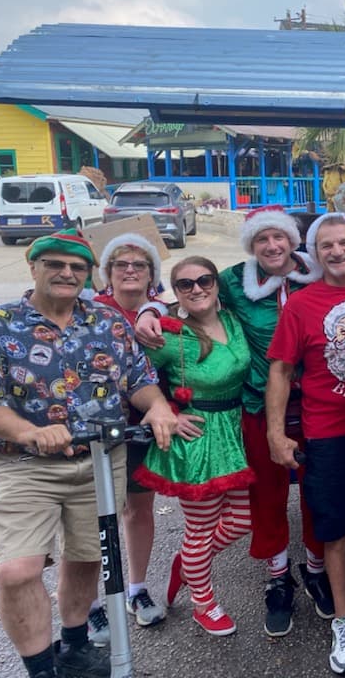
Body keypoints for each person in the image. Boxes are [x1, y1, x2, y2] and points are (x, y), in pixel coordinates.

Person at [0, 228, 176, 678]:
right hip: (23, 463)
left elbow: (139, 379)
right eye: (55, 264)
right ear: (33, 267)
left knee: (87, 556)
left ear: (89, 274)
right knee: (18, 570)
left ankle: (74, 645)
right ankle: (40, 668)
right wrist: (32, 432)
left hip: (99, 460)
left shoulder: (108, 323)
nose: (66, 273)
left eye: (77, 267)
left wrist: (158, 407)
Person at [136, 205, 329, 637]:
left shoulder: (317, 275)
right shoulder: (233, 281)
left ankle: (316, 570)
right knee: (265, 500)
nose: (272, 245)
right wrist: (148, 310)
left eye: (279, 236)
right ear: (250, 245)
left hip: (314, 406)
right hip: (257, 409)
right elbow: (183, 294)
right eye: (262, 238)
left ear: (293, 240)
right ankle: (277, 578)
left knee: (315, 496)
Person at [265, 213, 345, 674]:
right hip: (328, 432)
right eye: (326, 245)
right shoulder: (301, 304)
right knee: (334, 530)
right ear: (314, 253)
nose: (337, 251)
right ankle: (343, 620)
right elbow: (280, 370)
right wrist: (276, 432)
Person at [134, 256, 254, 636]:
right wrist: (167, 411)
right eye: (185, 284)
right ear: (176, 292)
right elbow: (133, 376)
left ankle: (186, 562)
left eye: (204, 280)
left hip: (234, 431)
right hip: (197, 438)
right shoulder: (168, 336)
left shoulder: (233, 319)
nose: (197, 288)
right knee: (200, 529)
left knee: (243, 520)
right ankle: (204, 603)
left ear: (216, 284)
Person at [87, 234, 169, 640]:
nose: (130, 270)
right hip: (92, 429)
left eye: (140, 264)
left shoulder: (164, 311)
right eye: (121, 264)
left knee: (139, 509)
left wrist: (156, 308)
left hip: (142, 424)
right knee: (90, 517)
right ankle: (90, 604)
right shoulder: (88, 310)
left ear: (152, 275)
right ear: (108, 273)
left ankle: (136, 589)